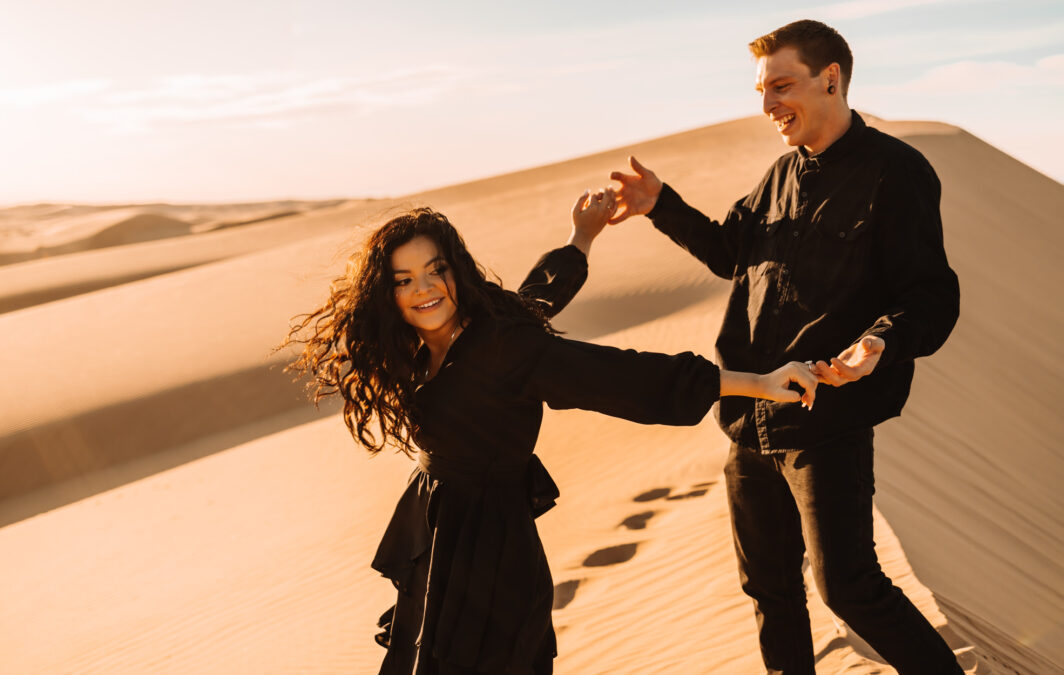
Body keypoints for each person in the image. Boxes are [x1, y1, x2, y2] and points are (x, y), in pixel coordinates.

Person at [283, 189, 819, 675]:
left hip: (492, 555)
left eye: (435, 270)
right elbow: (538, 295)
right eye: (403, 280)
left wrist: (758, 384)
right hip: (439, 534)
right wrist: (581, 236)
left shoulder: (503, 348)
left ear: (456, 271)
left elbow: (622, 376)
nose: (423, 290)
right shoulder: (442, 334)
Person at [600, 19, 962, 675]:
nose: (767, 106)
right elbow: (728, 252)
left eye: (781, 86)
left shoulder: (897, 173)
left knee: (849, 585)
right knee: (768, 586)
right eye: (762, 90)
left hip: (826, 419)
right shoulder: (778, 175)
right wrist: (661, 205)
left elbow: (932, 294)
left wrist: (880, 342)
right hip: (749, 417)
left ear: (831, 79)